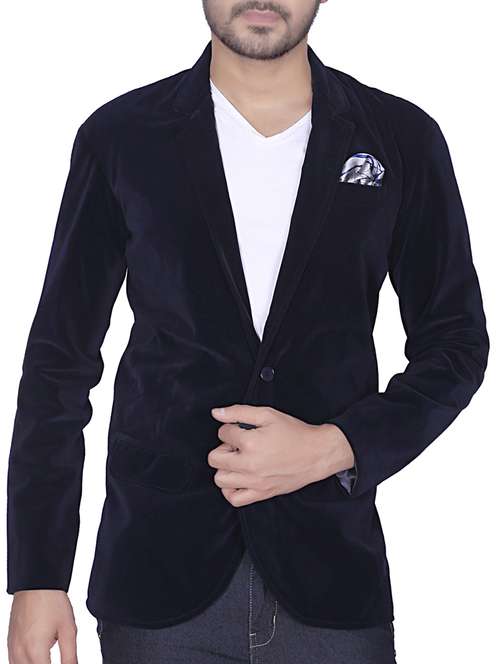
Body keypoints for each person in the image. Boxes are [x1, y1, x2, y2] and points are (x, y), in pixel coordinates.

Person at [6, 1, 489, 663]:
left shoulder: (401, 137)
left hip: (333, 583)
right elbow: (59, 362)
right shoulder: (121, 137)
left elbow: (456, 343)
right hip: (157, 582)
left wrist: (337, 447)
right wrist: (38, 574)